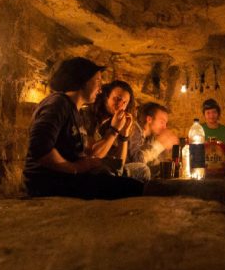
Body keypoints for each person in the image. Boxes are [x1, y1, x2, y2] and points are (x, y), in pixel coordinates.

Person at [23, 57, 143, 199]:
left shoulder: (74, 111)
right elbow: (40, 148)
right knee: (135, 189)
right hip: (50, 182)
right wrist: (77, 168)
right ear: (82, 80)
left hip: (66, 179)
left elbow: (89, 151)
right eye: (97, 80)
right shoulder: (58, 103)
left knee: (132, 180)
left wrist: (94, 162)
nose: (100, 89)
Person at [85, 80, 151, 182]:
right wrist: (114, 130)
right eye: (117, 99)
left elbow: (119, 165)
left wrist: (124, 135)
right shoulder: (88, 115)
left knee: (143, 169)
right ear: (106, 97)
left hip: (111, 171)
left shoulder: (119, 121)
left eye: (125, 102)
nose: (120, 105)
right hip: (90, 169)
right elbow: (93, 155)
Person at [129, 102, 179, 176]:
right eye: (162, 122)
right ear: (149, 119)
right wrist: (160, 145)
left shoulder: (149, 137)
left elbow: (153, 163)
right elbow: (137, 162)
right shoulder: (134, 129)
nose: (164, 127)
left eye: (166, 124)